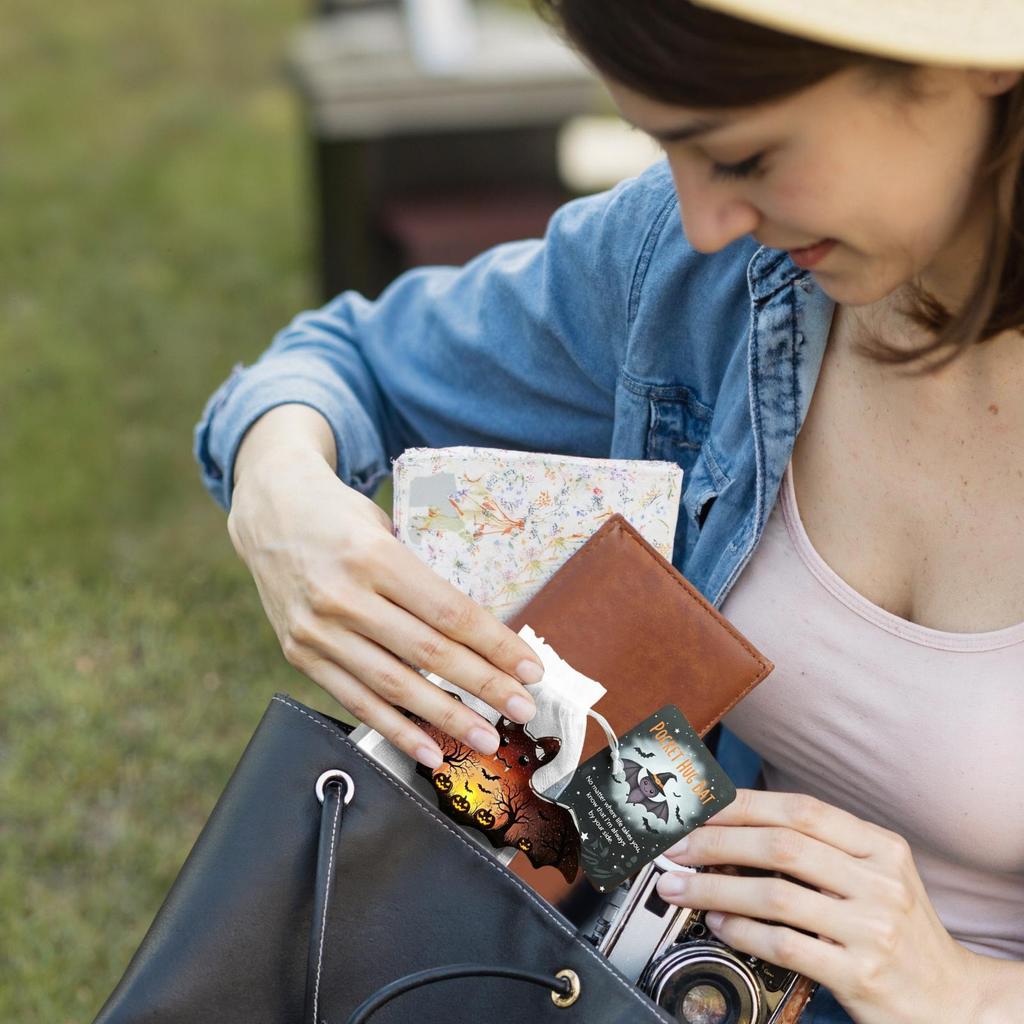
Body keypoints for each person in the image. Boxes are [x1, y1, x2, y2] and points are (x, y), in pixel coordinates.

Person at [193, 1, 1024, 1020]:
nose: (706, 220)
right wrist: (283, 509)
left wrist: (971, 992)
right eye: (667, 148)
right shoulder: (705, 272)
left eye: (748, 155)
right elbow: (342, 361)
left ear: (974, 68)